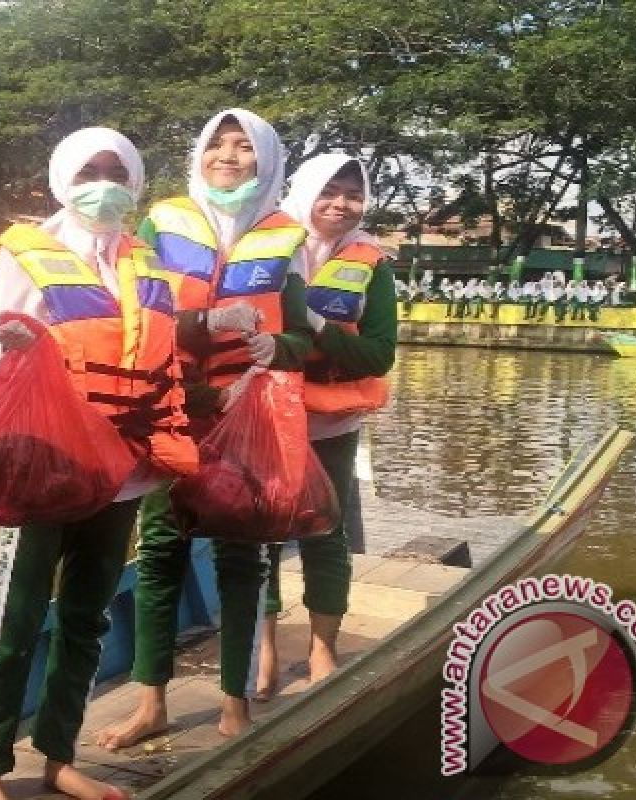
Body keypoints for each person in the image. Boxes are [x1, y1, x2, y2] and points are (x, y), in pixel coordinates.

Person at [0, 128, 198, 800]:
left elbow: (162, 362)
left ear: (137, 181)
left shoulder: (145, 264)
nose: (104, 181)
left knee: (88, 618)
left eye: (117, 170)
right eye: (90, 168)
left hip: (123, 472)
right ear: (63, 177)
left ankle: (60, 757)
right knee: (18, 618)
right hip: (44, 469)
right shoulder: (25, 256)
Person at [95, 109, 315, 751]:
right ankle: (151, 704)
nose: (227, 155)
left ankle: (234, 705)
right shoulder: (163, 221)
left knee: (241, 559)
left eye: (243, 146)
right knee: (160, 551)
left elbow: (301, 340)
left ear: (266, 160)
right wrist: (209, 322)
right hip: (174, 408)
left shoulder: (285, 236)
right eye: (217, 144)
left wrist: (274, 343)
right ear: (200, 155)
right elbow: (142, 315)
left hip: (248, 416)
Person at [253, 154, 396, 696]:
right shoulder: (266, 244)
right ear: (305, 190)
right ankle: (263, 648)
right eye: (329, 191)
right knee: (258, 535)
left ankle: (321, 649)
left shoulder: (372, 262)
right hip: (266, 417)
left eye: (352, 195)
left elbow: (378, 354)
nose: (340, 204)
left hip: (332, 425)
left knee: (326, 535)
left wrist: (313, 328)